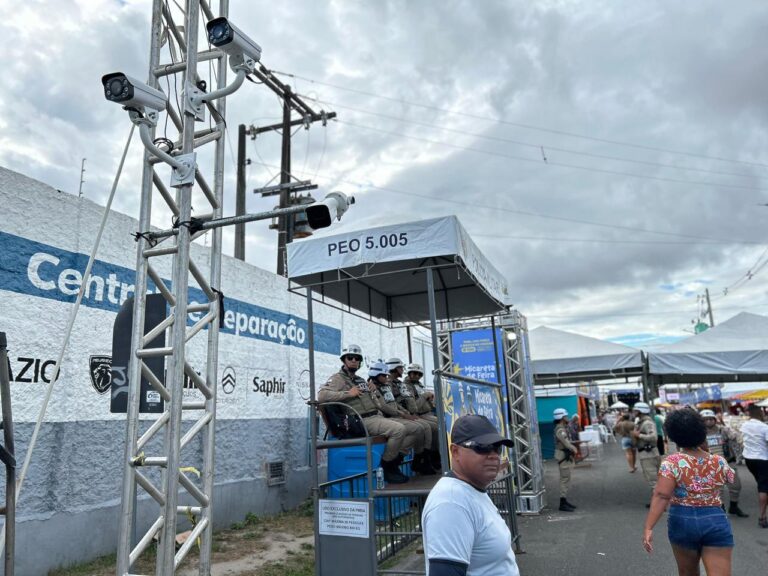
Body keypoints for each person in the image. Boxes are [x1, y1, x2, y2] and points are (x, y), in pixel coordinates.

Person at [422, 414, 519, 576]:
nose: (493, 455)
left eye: (497, 448)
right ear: (455, 451)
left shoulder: (470, 489)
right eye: (482, 447)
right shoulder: (451, 503)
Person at [643, 408, 735, 576]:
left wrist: (649, 527)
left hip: (682, 519)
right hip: (715, 518)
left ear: (673, 436)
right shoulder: (719, 461)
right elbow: (730, 478)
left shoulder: (671, 463)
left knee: (687, 572)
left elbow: (662, 495)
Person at [318, 345, 411, 484]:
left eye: (357, 358)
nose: (353, 360)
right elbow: (322, 395)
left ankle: (398, 461)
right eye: (350, 358)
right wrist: (348, 393)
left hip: (376, 416)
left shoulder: (360, 380)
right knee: (399, 430)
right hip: (362, 420)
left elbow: (377, 403)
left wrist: (373, 392)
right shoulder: (338, 379)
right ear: (344, 360)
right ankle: (387, 466)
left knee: (415, 428)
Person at [367, 362, 435, 475]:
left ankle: (417, 458)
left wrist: (405, 412)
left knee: (421, 428)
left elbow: (394, 403)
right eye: (383, 375)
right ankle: (390, 462)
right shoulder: (373, 387)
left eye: (386, 375)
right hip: (387, 417)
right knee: (418, 428)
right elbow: (383, 406)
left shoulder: (385, 386)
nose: (386, 377)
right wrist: (403, 414)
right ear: (376, 376)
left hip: (397, 415)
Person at [700, 409, 749, 518]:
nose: (708, 421)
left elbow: (736, 436)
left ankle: (734, 507)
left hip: (728, 462)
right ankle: (720, 510)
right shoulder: (699, 434)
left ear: (715, 420)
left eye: (711, 419)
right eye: (705, 419)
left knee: (736, 485)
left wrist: (738, 440)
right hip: (711, 464)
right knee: (718, 489)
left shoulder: (723, 430)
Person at [399, 362, 441, 468]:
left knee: (442, 423)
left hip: (427, 413)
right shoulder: (406, 386)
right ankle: (425, 458)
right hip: (417, 414)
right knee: (433, 427)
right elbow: (414, 407)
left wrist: (431, 401)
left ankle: (436, 455)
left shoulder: (419, 385)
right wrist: (424, 396)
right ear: (409, 373)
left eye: (419, 374)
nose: (417, 376)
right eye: (414, 373)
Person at [740, 404, 768, 528]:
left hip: (749, 459)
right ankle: (762, 517)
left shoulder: (744, 425)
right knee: (763, 488)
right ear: (760, 413)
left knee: (762, 483)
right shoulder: (764, 427)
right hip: (762, 459)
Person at [632, 401, 661, 504]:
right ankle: (656, 501)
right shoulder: (642, 422)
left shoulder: (647, 423)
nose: (634, 412)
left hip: (648, 454)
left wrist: (638, 435)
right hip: (647, 453)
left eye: (635, 410)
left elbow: (653, 437)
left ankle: (658, 504)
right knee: (653, 479)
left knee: (653, 480)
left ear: (640, 411)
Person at [553, 408, 578, 511]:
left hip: (564, 455)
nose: (567, 417)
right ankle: (562, 503)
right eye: (565, 416)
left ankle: (564, 500)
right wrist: (574, 448)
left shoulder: (562, 428)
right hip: (563, 456)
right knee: (564, 479)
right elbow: (566, 443)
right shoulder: (560, 430)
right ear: (561, 417)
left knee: (566, 478)